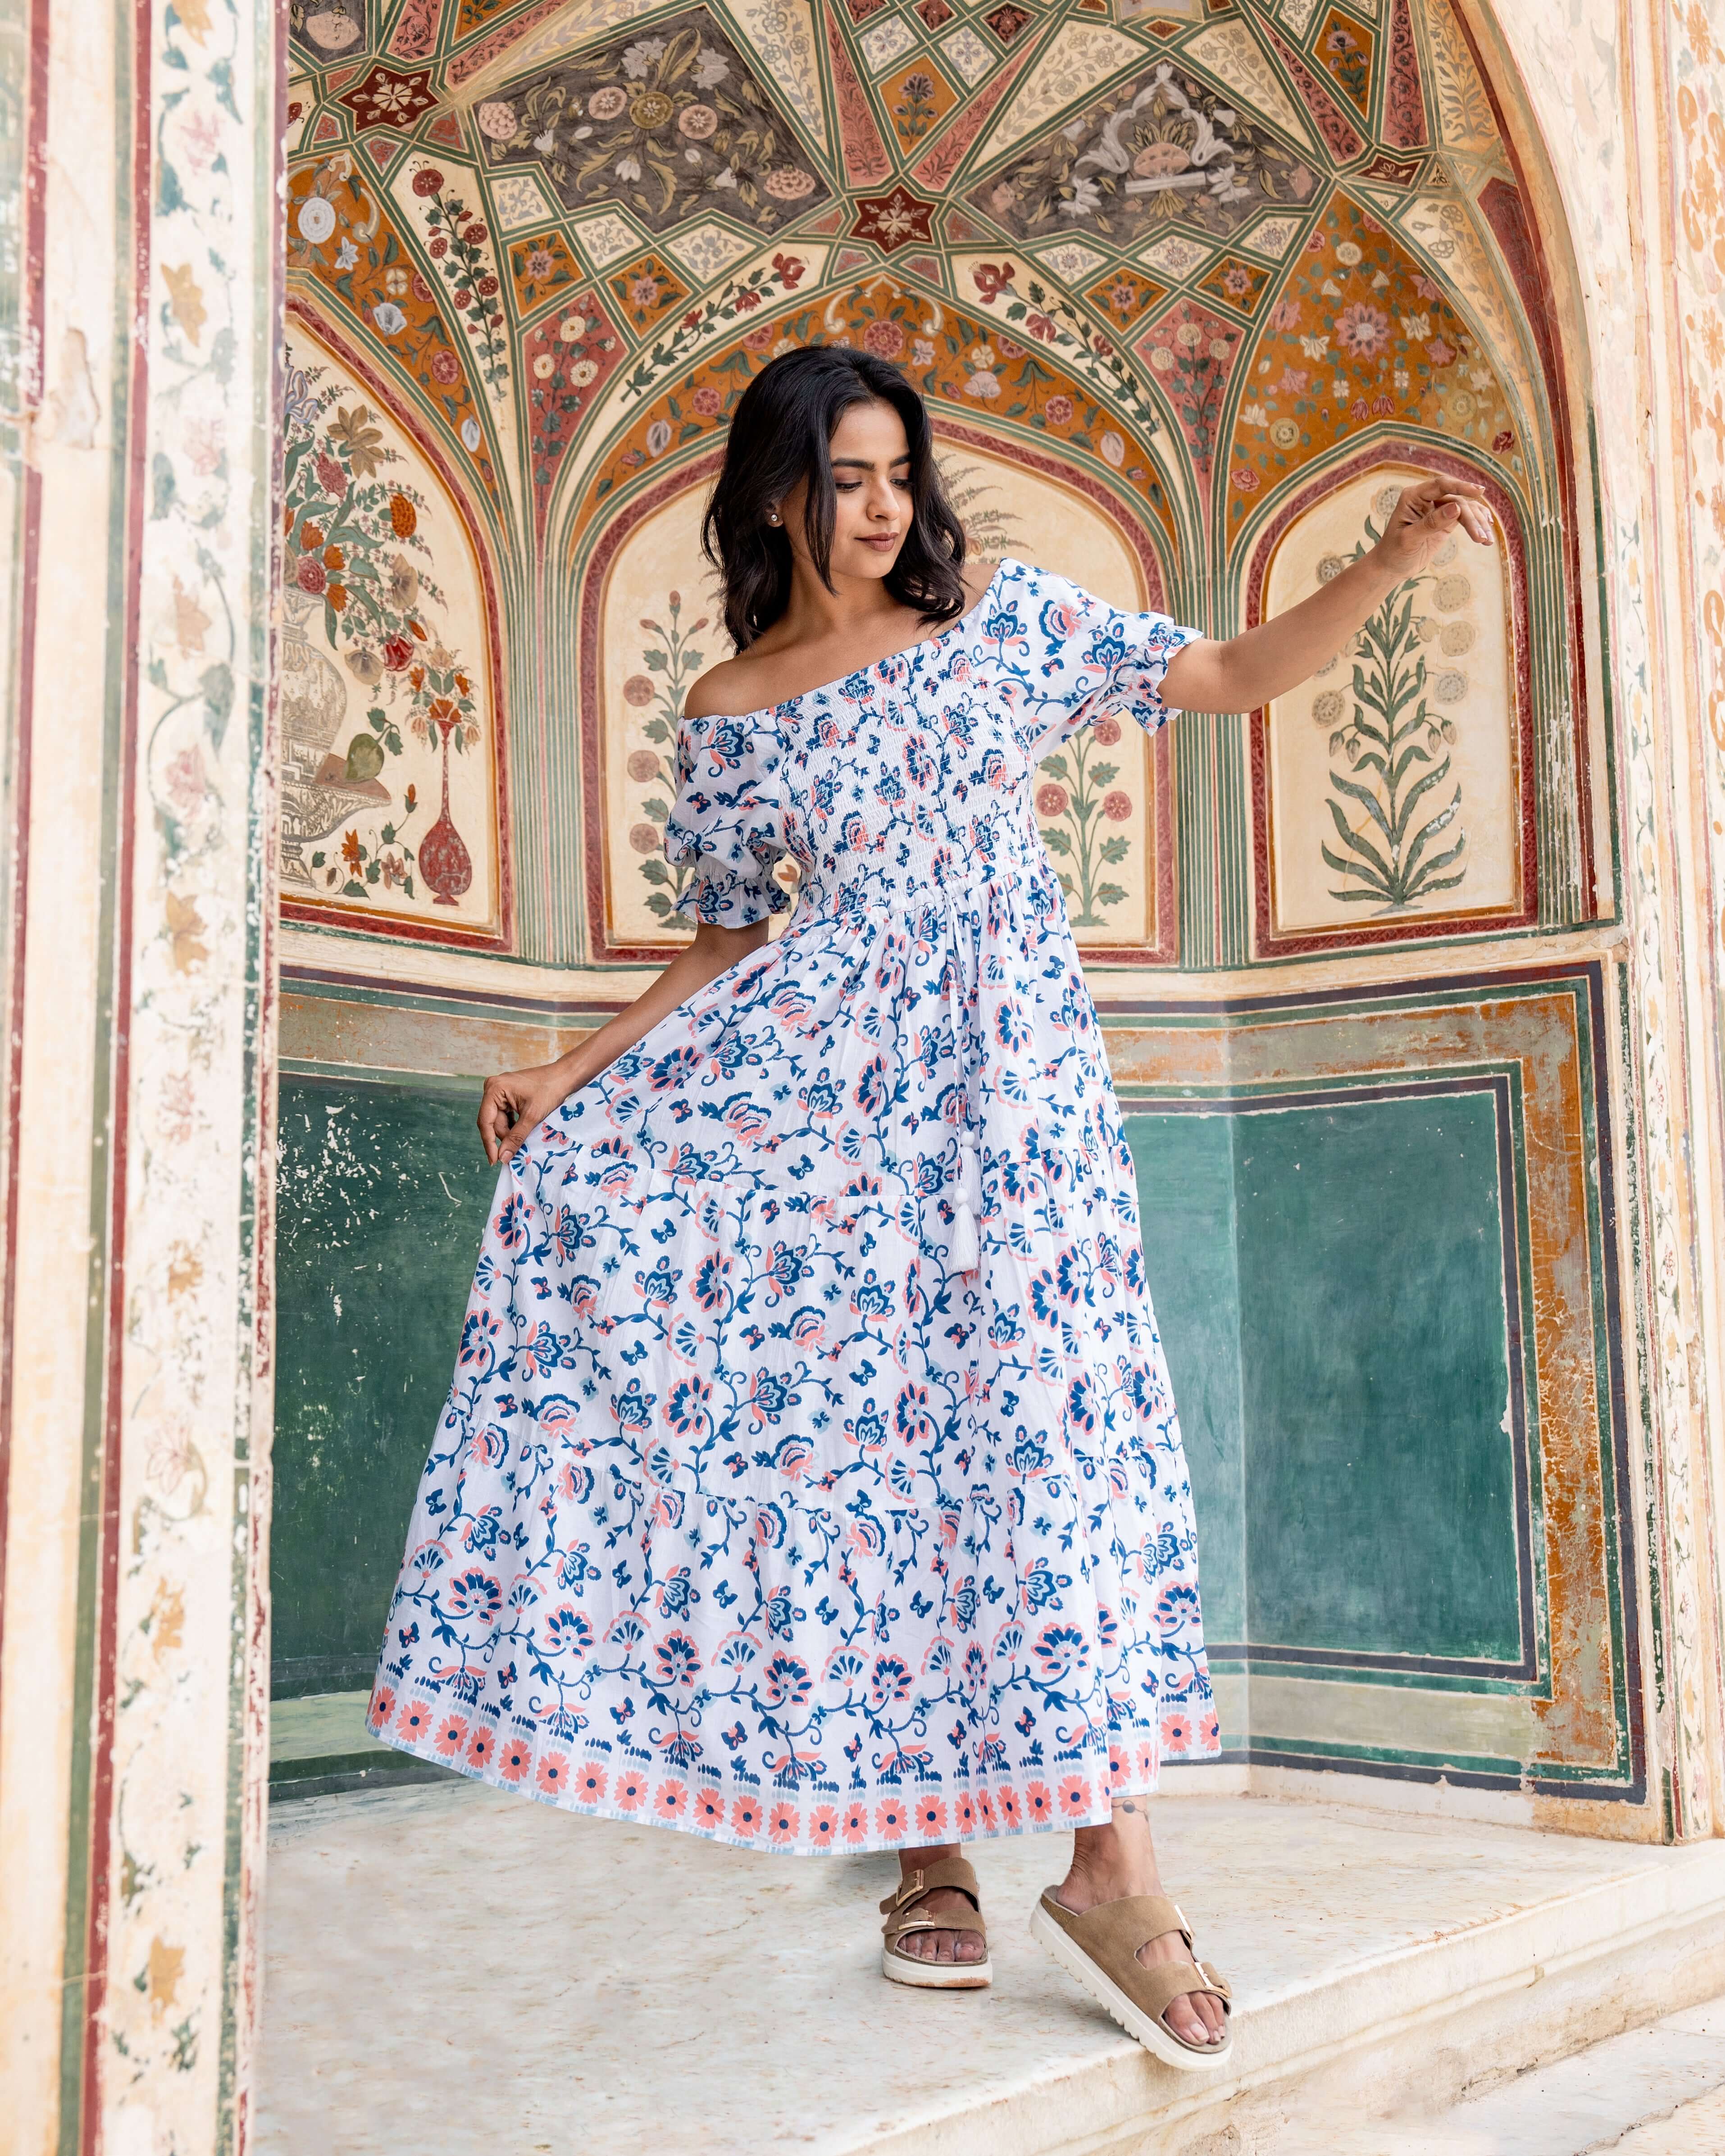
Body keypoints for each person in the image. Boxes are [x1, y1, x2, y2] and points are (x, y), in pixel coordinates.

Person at [368, 346, 1492, 2070]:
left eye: (899, 472)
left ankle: (1113, 1861)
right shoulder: (739, 710)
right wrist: (574, 1073)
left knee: (1034, 1428)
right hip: (824, 1101)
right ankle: (922, 1841)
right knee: (860, 1445)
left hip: (1012, 1096)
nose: (883, 506)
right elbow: (732, 938)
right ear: (771, 496)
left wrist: (1393, 559)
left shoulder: (1010, 625)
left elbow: (1229, 670)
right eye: (845, 478)